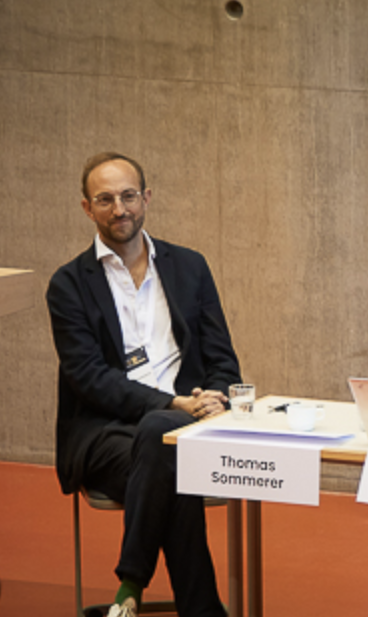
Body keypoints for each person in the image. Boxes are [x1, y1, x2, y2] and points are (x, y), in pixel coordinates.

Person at [49, 152, 240, 617]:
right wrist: (173, 405)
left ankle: (131, 587)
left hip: (185, 426)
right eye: (105, 199)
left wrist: (213, 399)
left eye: (129, 196)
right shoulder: (68, 285)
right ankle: (199, 609)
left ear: (146, 198)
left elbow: (223, 362)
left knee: (165, 447)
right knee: (165, 442)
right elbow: (90, 379)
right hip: (104, 432)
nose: (120, 209)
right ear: (87, 208)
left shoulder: (190, 266)